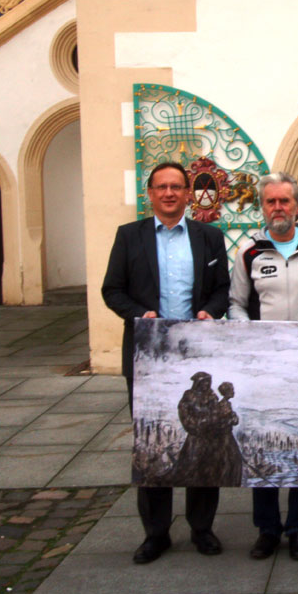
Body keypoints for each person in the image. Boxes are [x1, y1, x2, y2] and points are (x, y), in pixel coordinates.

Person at [102, 161, 230, 564]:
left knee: (204, 441)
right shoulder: (129, 237)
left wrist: (210, 311)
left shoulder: (209, 237)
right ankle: (156, 532)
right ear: (151, 193)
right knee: (153, 441)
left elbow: (222, 289)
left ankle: (201, 528)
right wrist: (142, 316)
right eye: (162, 187)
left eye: (177, 187)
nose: (170, 193)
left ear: (188, 194)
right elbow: (113, 290)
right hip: (149, 355)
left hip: (197, 354)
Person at [229, 172, 298, 561]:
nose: (278, 208)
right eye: (271, 201)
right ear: (263, 206)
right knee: (263, 446)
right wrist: (248, 334)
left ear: (297, 206)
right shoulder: (250, 251)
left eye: (285, 201)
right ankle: (268, 529)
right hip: (265, 367)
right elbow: (236, 304)